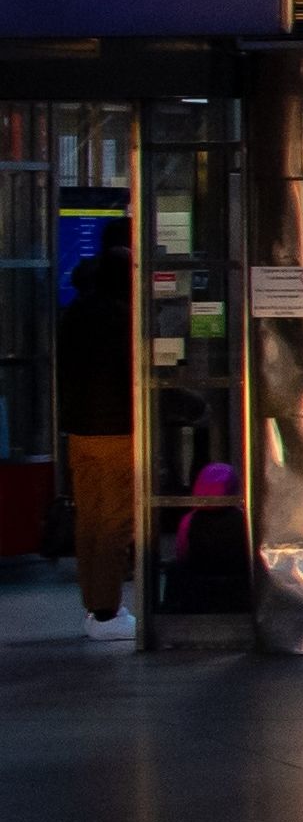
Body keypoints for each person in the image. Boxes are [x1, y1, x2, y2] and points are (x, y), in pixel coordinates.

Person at [62, 245, 134, 631]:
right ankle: (108, 610)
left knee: (88, 521)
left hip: (80, 432)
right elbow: (135, 374)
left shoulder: (75, 313)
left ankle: (93, 603)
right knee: (116, 523)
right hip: (118, 431)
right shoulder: (123, 318)